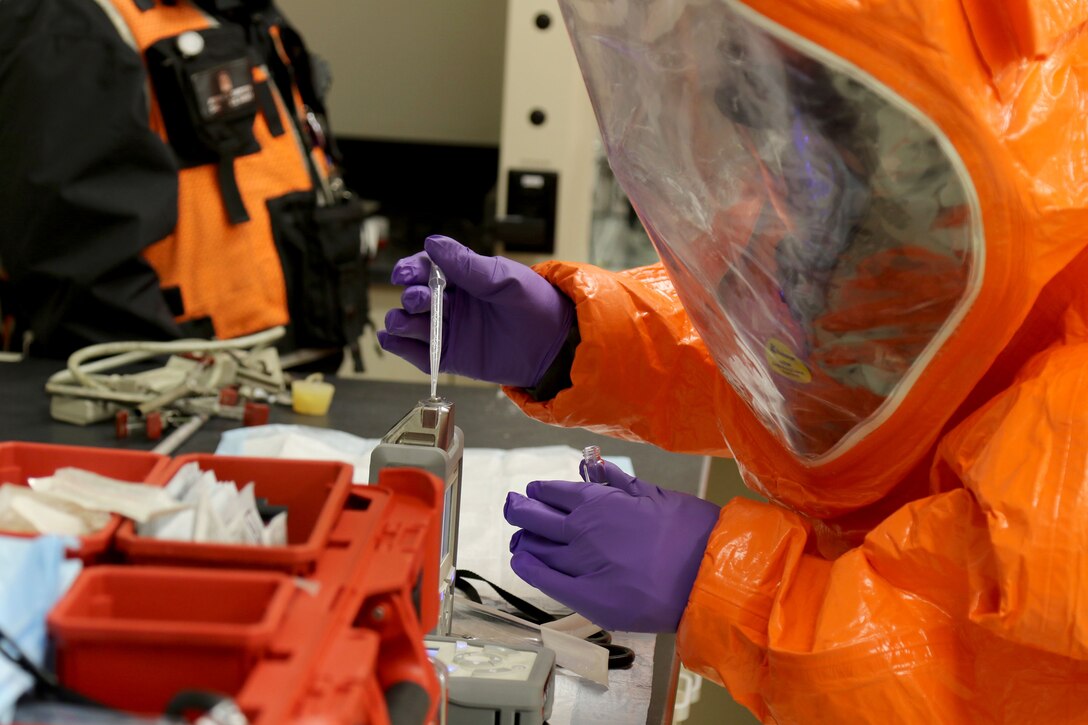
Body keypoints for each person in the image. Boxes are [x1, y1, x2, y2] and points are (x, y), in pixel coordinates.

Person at [379, 0, 1088, 721]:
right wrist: (578, 341)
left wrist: (729, 584)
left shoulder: (976, 167)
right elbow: (829, 360)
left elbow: (987, 673)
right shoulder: (923, 167)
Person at [0, 0, 369, 363]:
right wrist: (157, 387)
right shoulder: (69, 20)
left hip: (285, 361)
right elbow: (74, 251)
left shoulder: (232, 10)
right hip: (174, 382)